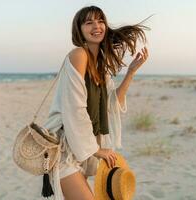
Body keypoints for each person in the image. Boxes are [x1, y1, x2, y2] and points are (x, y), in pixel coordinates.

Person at [43, 5, 149, 200]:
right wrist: (96, 150)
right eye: (89, 22)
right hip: (65, 150)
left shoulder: (100, 64)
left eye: (100, 21)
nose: (96, 26)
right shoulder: (79, 55)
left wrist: (131, 72)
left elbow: (111, 105)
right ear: (79, 30)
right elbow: (75, 109)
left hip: (81, 149)